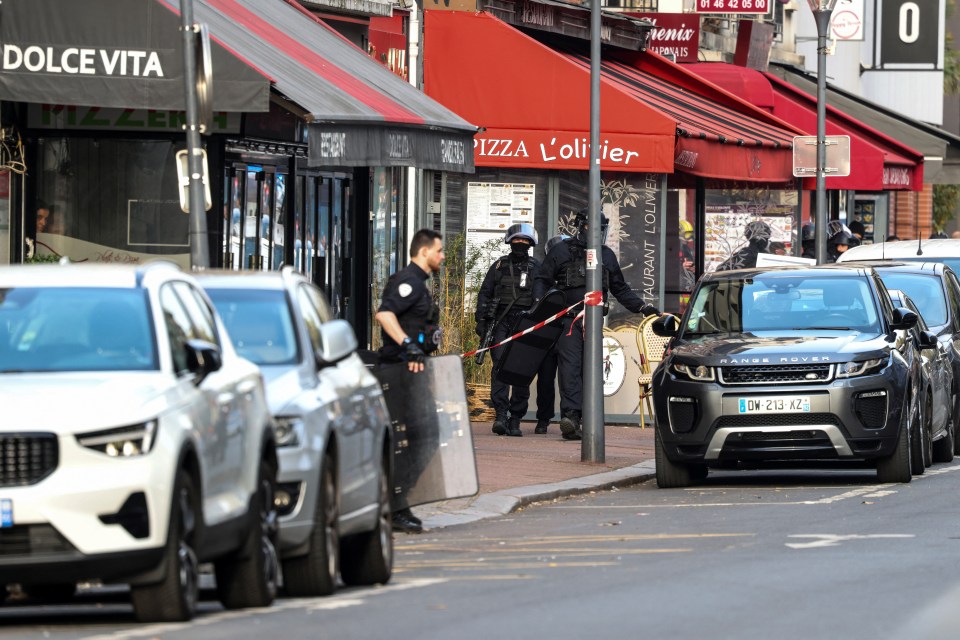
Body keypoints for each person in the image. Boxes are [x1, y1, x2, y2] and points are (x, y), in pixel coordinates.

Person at [535, 210, 661, 441]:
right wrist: (540, 309)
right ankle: (571, 417)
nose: (596, 233)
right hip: (568, 321)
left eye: (600, 229)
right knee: (570, 367)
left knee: (591, 369)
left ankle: (585, 417)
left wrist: (642, 308)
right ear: (580, 226)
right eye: (591, 228)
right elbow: (542, 280)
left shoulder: (606, 255)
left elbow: (619, 289)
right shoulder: (560, 251)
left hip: (594, 321)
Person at [374, 228, 445, 534]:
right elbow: (385, 315)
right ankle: (395, 505)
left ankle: (397, 502)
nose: (442, 256)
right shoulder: (408, 281)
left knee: (424, 437)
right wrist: (408, 344)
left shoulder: (419, 283)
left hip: (413, 370)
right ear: (424, 251)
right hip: (400, 370)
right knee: (419, 437)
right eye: (439, 251)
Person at [475, 223, 540, 437]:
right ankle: (501, 415)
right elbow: (485, 293)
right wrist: (482, 321)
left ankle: (515, 419)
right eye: (516, 240)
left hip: (525, 323)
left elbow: (543, 296)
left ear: (530, 244)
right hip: (501, 321)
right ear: (510, 242)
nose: (520, 244)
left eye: (524, 241)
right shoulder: (499, 266)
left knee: (522, 370)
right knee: (500, 368)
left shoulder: (536, 268)